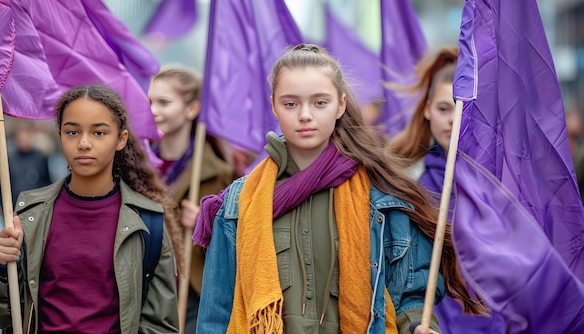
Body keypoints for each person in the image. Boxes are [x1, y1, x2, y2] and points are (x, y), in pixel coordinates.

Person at [193, 44, 485, 334]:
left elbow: (410, 294)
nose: (305, 115)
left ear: (340, 105)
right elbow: (217, 312)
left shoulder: (382, 195)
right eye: (290, 103)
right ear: (273, 106)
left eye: (320, 102)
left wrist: (419, 326)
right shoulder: (239, 201)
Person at [0, 84, 183, 334]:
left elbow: (161, 325)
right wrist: (1, 266)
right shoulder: (30, 215)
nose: (84, 143)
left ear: (121, 139)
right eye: (72, 132)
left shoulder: (148, 222)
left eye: (99, 133)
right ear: (59, 135)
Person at [388, 46, 505, 334]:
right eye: (443, 108)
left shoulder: (501, 185)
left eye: (461, 108)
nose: (453, 119)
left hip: (496, 321)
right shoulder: (408, 187)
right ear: (427, 110)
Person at [148, 65, 234, 333]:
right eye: (149, 101)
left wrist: (205, 224)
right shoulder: (137, 163)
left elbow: (235, 243)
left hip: (191, 291)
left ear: (191, 109)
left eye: (164, 102)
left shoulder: (218, 172)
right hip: (146, 287)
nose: (153, 110)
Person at [0, 119, 53, 211]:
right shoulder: (7, 159)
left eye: (26, 134)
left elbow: (46, 183)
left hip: (35, 208)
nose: (23, 138)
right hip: (13, 208)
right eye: (19, 135)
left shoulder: (40, 158)